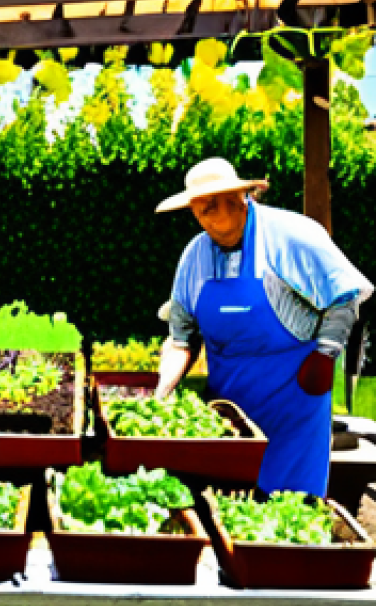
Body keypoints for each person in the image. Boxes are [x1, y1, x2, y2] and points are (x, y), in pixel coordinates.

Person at [155, 158, 372, 497]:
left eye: (218, 203)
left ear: (240, 197)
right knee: (232, 517)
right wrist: (162, 390)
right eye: (201, 209)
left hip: (293, 407)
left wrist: (326, 353)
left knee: (289, 518)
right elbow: (181, 337)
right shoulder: (194, 258)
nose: (211, 216)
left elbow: (344, 295)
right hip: (231, 419)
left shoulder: (293, 236)